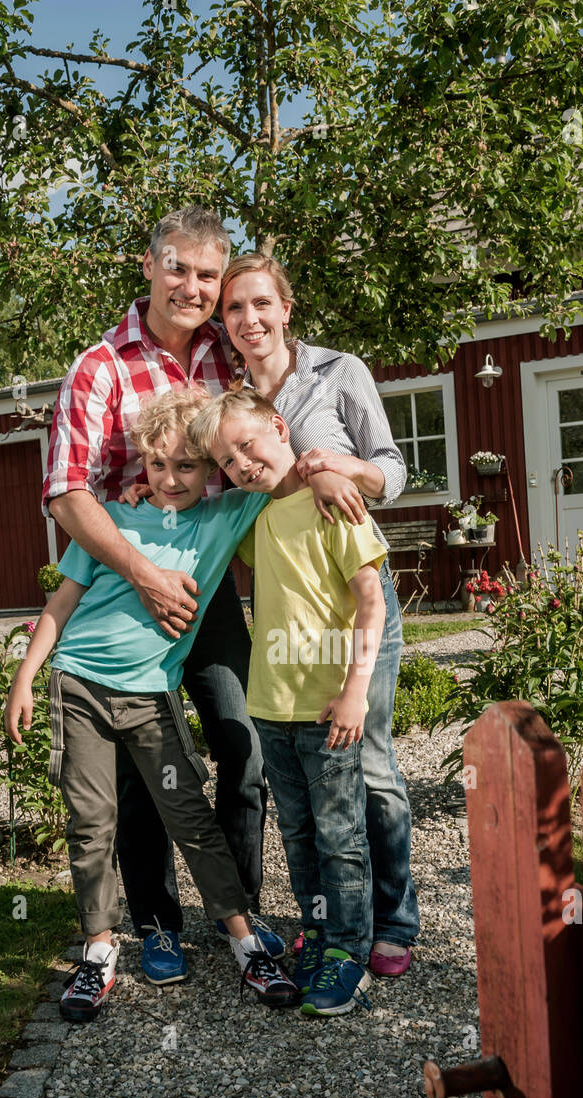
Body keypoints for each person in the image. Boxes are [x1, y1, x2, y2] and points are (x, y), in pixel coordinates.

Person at [7, 388, 300, 1018]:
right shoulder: (107, 521)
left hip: (149, 697)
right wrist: (25, 677)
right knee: (91, 824)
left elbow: (278, 469)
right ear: (142, 464)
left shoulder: (223, 519)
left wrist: (339, 473)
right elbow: (60, 606)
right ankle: (98, 952)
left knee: (189, 815)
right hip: (79, 687)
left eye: (187, 466)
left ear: (211, 470)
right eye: (157, 466)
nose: (169, 480)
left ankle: (245, 941)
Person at [217, 253, 420, 977]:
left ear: (286, 307)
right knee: (311, 789)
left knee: (369, 762)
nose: (249, 320)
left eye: (261, 304)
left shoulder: (339, 372)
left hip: (357, 594)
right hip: (289, 608)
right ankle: (335, 916)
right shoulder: (228, 398)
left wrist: (340, 469)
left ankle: (393, 918)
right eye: (235, 309)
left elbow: (392, 470)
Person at [187, 383, 387, 1018]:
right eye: (227, 461)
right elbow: (198, 518)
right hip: (271, 709)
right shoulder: (255, 516)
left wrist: (357, 690)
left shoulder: (336, 505)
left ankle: (349, 952)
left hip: (329, 709)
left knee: (340, 835)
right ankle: (320, 931)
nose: (243, 464)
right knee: (298, 835)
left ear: (279, 425)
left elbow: (371, 600)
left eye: (247, 445)